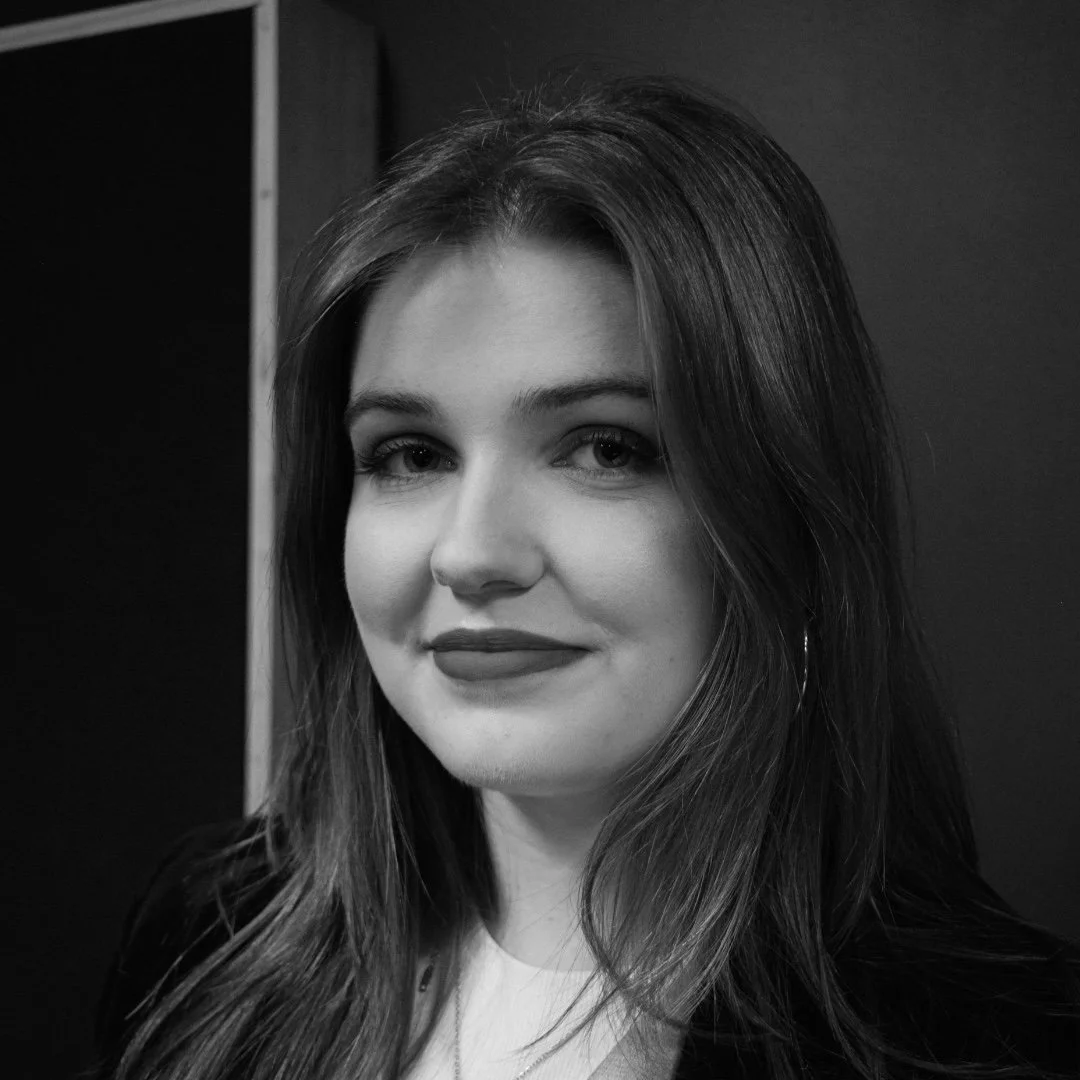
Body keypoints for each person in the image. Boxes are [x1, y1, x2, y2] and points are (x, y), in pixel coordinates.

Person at [92, 74, 1079, 1080]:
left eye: (606, 448)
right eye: (411, 455)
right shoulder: (203, 941)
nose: (470, 553)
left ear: (785, 514)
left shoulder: (1004, 1045)